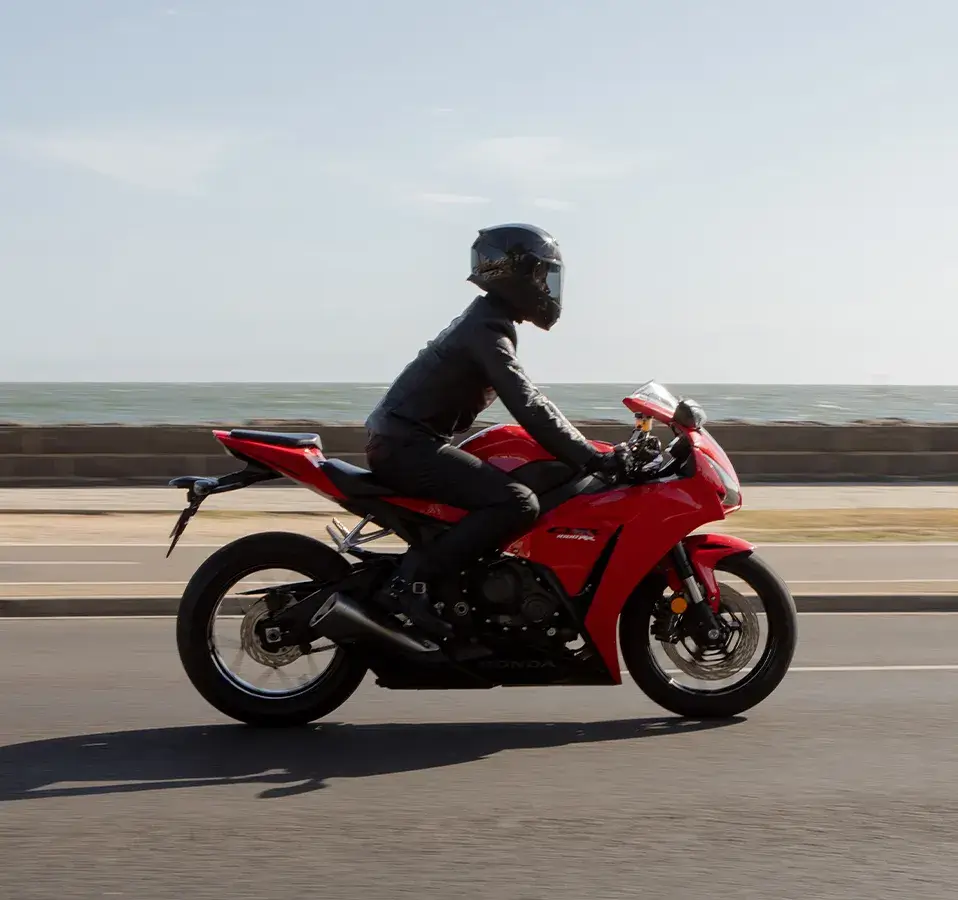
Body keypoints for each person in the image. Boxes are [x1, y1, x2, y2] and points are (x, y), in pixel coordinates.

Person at [364, 223, 633, 637]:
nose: (547, 286)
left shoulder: (486, 320)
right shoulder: (487, 329)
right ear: (517, 273)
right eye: (542, 275)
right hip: (407, 447)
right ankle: (411, 583)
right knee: (518, 504)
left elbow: (528, 401)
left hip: (405, 442)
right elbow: (527, 402)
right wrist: (590, 456)